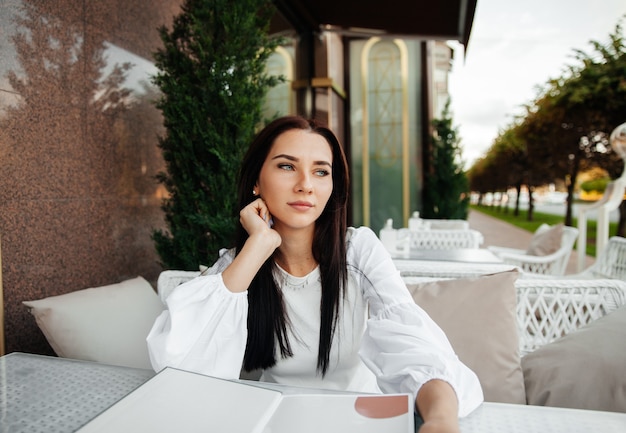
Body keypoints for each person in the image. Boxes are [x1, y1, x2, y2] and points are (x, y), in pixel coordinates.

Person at [147, 115, 483, 432]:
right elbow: (180, 366)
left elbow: (416, 345)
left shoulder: (358, 250)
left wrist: (439, 421)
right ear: (255, 181)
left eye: (321, 172)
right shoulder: (241, 265)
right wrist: (259, 245)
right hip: (278, 419)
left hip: (361, 418)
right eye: (287, 166)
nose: (306, 185)